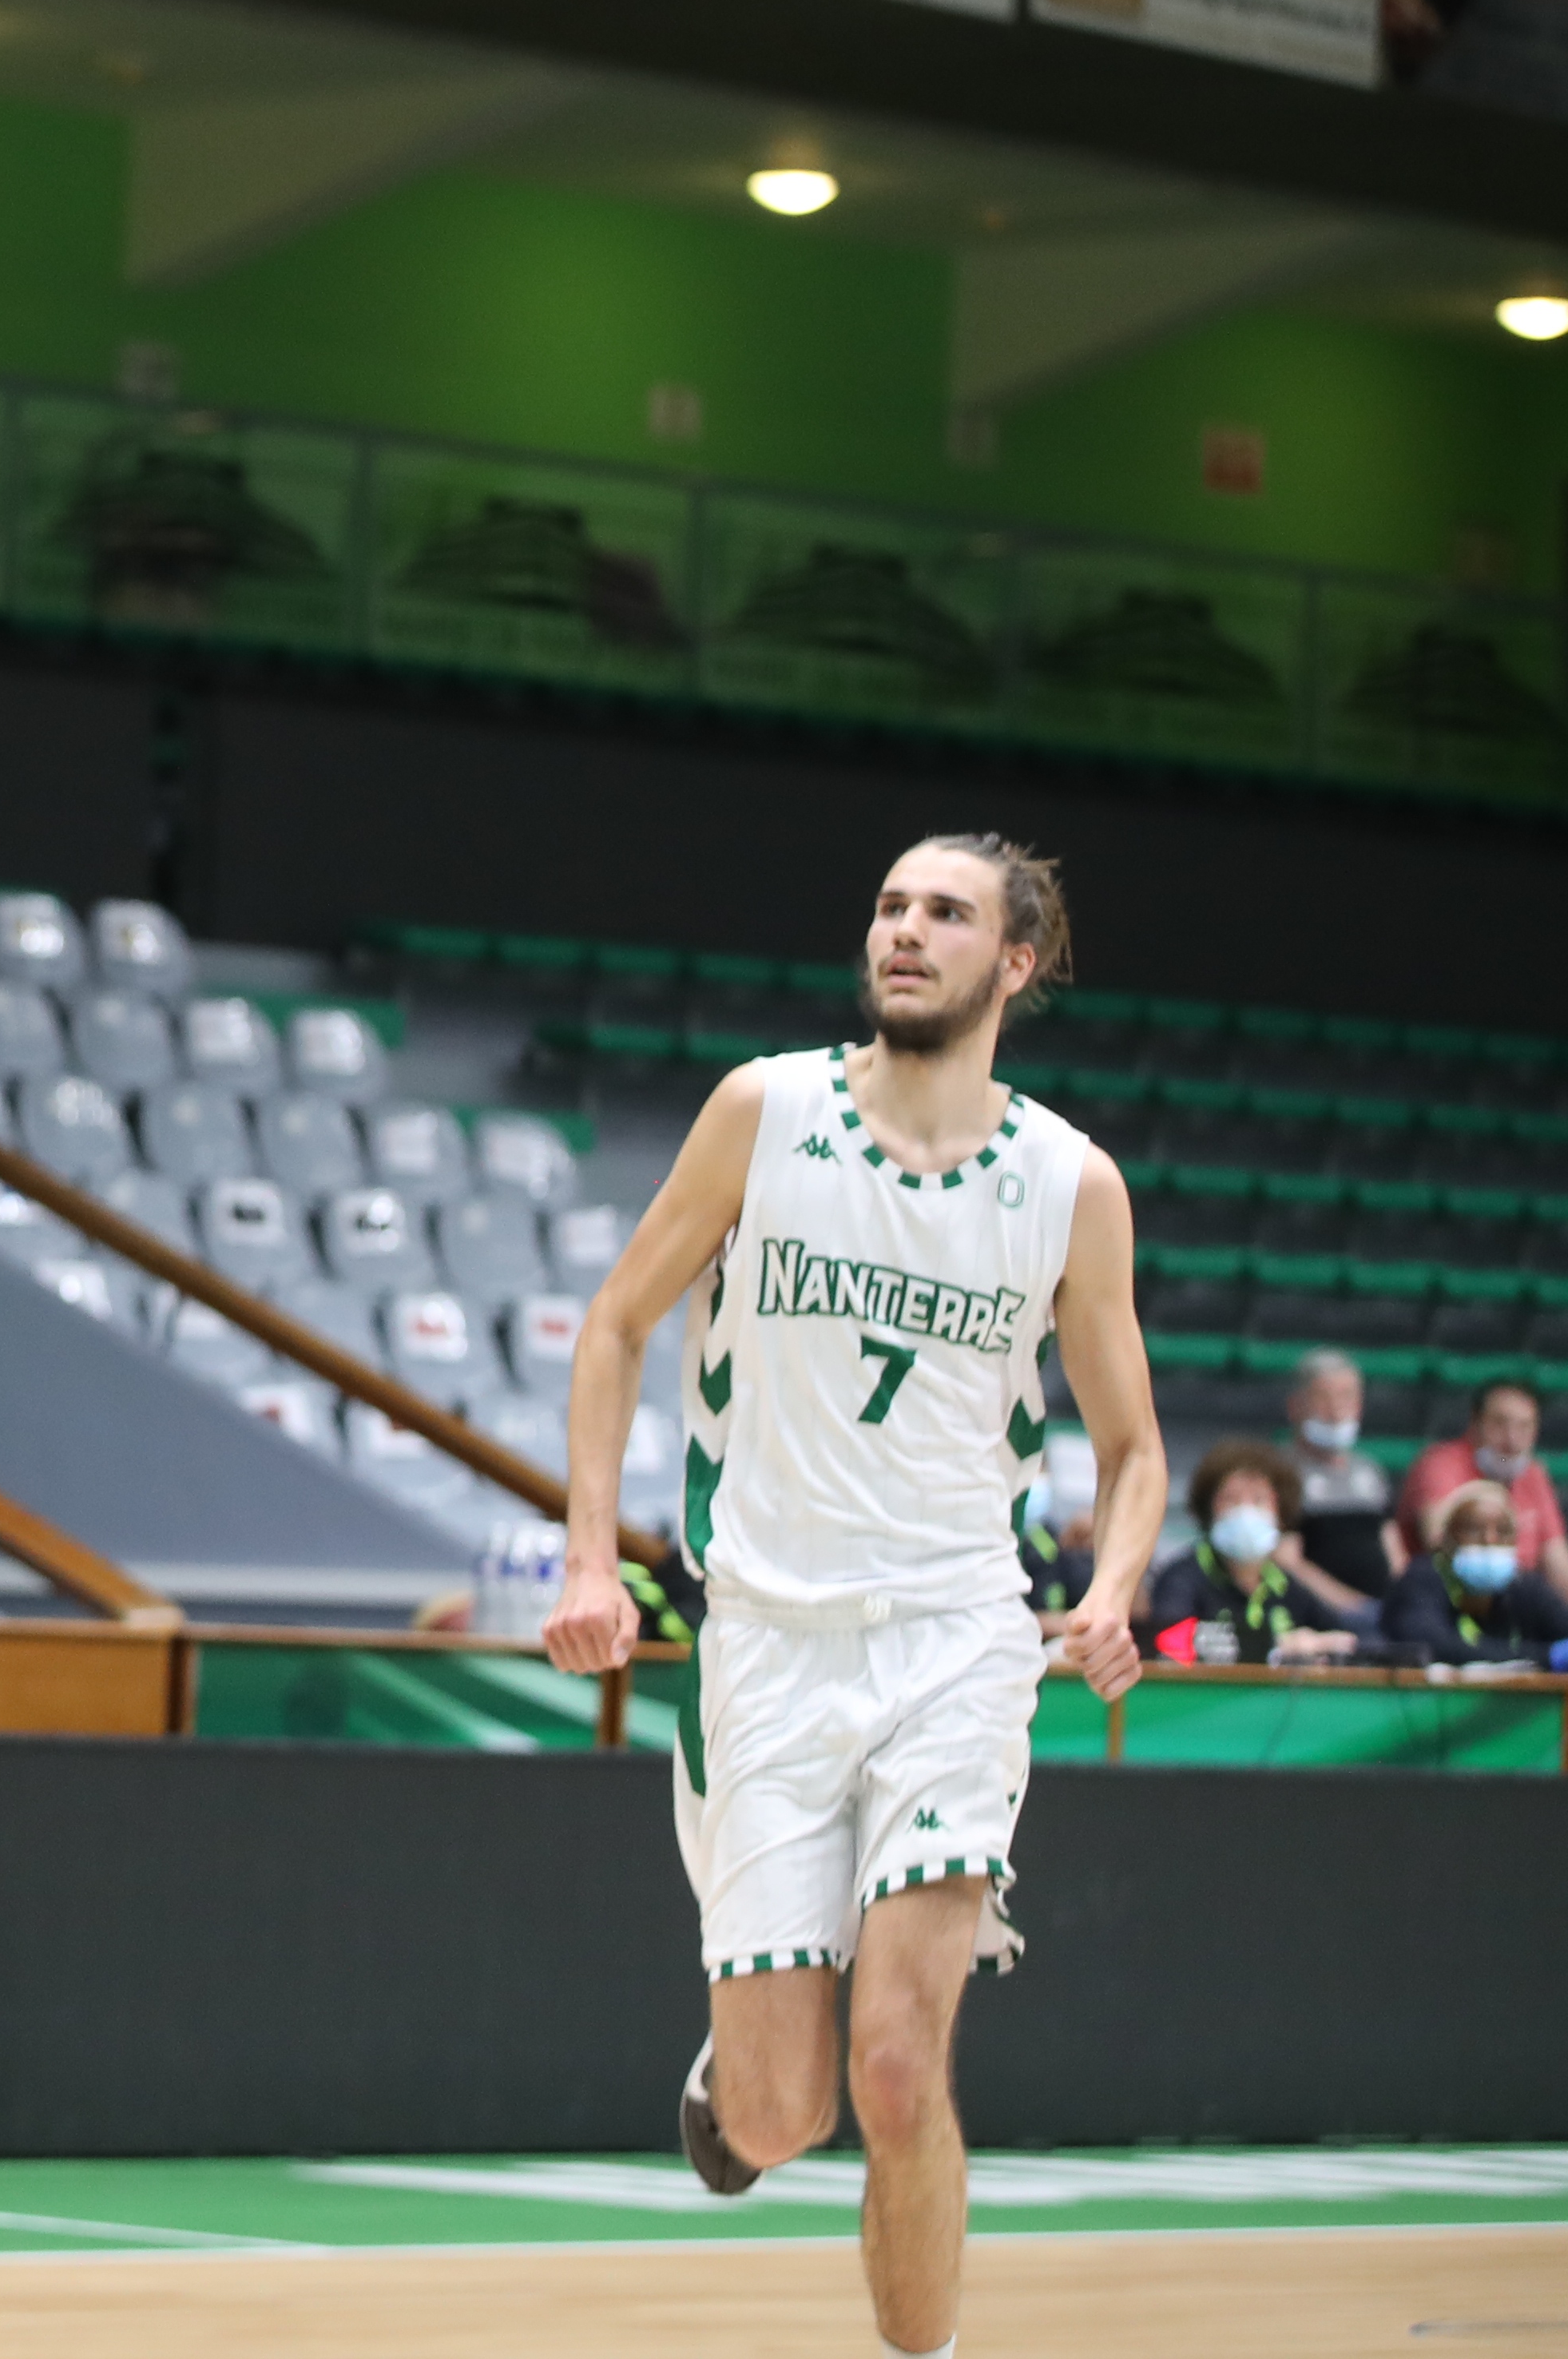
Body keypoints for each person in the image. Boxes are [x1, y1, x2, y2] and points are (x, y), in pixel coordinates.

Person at [546, 834, 1164, 2359]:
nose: (902, 930)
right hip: (764, 1638)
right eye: (889, 905)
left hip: (957, 1638)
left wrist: (1114, 1584)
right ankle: (730, 2076)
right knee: (781, 2110)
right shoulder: (764, 1111)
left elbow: (1135, 1443)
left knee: (898, 2067)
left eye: (944, 913)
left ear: (1014, 962)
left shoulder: (1067, 1182)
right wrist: (583, 1554)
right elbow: (617, 1325)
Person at [1392, 1378, 1568, 1631]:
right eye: (1500, 1424)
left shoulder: (1534, 1475)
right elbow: (1438, 1541)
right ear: (1475, 1422)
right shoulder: (1440, 1464)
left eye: (1525, 1427)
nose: (1512, 1440)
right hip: (1448, 1605)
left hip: (1514, 1605)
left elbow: (1561, 1563)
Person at [1137, 1440, 1358, 1665]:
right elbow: (1167, 1640)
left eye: (1259, 1500)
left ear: (1280, 1513)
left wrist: (1323, 1645)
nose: (1246, 1511)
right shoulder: (1182, 1577)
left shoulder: (1284, 1584)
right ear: (1209, 1510)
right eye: (1231, 1500)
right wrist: (1277, 1645)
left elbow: (1343, 1639)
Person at [1377, 1480, 1568, 1665]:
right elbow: (1431, 1644)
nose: (1489, 1540)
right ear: (1447, 1540)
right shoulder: (1420, 1578)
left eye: (1503, 1531)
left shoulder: (1524, 1585)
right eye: (1474, 1529)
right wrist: (1544, 1657)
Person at [1279, 1350, 1395, 1608]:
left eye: (1346, 1396)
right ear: (1295, 1406)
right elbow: (1287, 1562)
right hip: (1320, 1612)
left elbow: (1393, 1551)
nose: (1336, 1410)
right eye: (1323, 1398)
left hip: (1380, 1612)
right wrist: (1352, 1605)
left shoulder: (1370, 1472)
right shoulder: (1282, 1473)